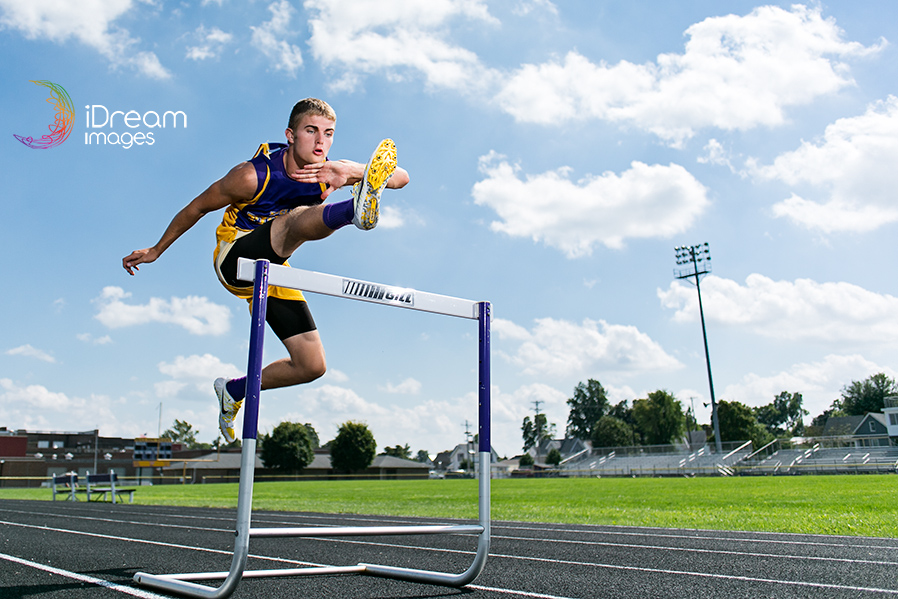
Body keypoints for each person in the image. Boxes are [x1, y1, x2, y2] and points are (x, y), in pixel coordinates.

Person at [122, 98, 410, 443]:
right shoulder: (251, 175)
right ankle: (353, 211)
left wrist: (353, 171)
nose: (320, 142)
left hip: (275, 269)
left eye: (329, 134)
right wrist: (156, 250)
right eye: (311, 131)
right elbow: (196, 207)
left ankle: (233, 390)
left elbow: (402, 178)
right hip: (236, 257)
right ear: (290, 135)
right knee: (291, 222)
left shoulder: (330, 170)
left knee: (311, 365)